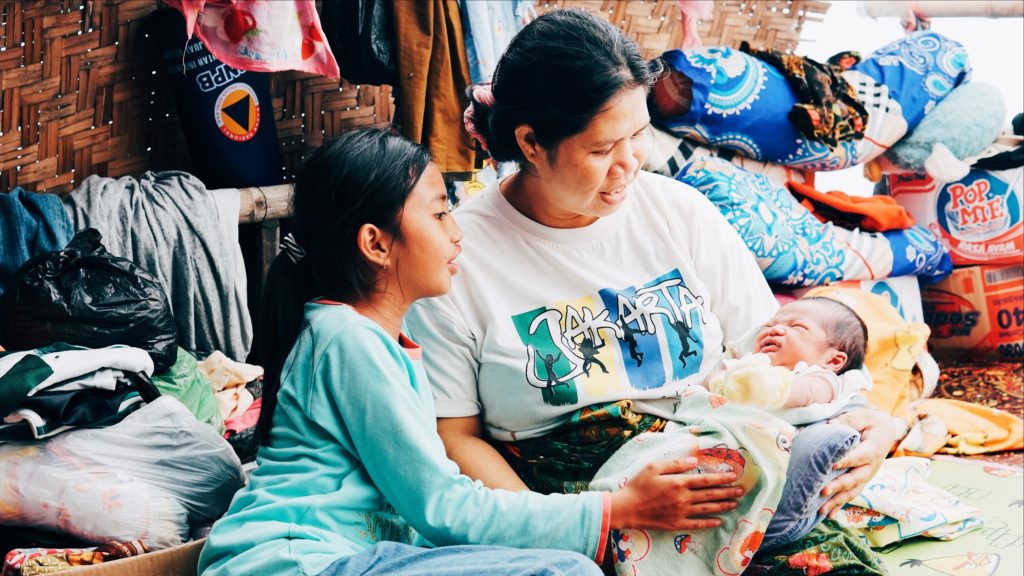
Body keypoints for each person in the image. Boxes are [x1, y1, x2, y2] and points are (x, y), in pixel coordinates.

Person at [405, 7, 905, 562]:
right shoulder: (457, 259)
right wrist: (572, 536)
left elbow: (774, 360)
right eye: (600, 150)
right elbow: (455, 437)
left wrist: (875, 423)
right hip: (576, 513)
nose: (629, 165)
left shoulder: (679, 212)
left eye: (639, 134)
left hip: (720, 479)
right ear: (529, 143)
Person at [197, 129, 750, 576]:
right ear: (376, 243)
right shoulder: (348, 342)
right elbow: (442, 507)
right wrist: (616, 509)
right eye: (439, 214)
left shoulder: (381, 341)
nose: (457, 233)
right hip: (294, 562)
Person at [709, 296, 871, 425]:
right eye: (769, 325)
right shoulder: (748, 362)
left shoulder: (821, 378)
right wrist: (720, 380)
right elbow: (708, 381)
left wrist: (771, 387)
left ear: (833, 361)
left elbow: (806, 392)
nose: (775, 329)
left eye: (797, 327)